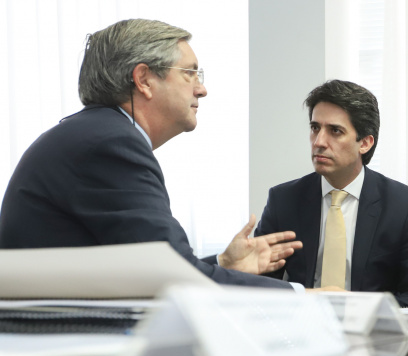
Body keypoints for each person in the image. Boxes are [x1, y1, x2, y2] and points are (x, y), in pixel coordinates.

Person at [0, 19, 303, 290]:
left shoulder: (93, 133)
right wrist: (302, 296)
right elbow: (171, 278)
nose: (202, 89)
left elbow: (145, 268)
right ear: (144, 80)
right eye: (190, 73)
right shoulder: (110, 145)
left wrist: (223, 264)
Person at [254, 80, 408, 306]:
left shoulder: (403, 205)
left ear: (365, 143)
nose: (319, 142)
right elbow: (259, 285)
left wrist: (359, 308)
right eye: (315, 128)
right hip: (303, 330)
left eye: (335, 131)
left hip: (372, 334)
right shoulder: (283, 200)